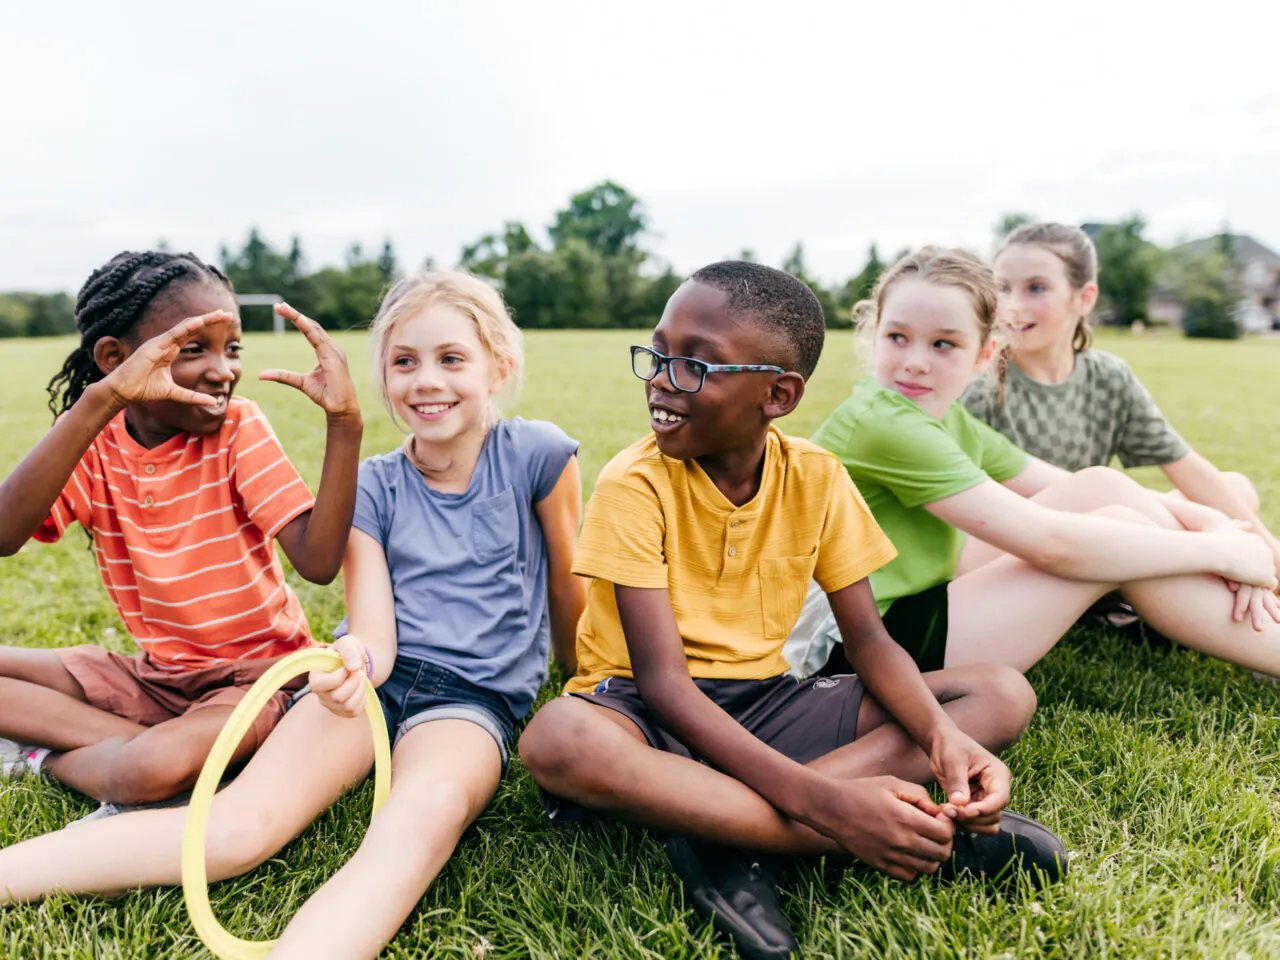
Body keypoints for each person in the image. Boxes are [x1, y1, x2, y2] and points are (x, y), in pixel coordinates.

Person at [519, 261, 1066, 960]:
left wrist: (939, 737)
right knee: (560, 738)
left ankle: (721, 833)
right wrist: (826, 804)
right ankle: (852, 831)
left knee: (995, 693)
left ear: (778, 395)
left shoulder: (816, 476)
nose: (661, 378)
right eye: (658, 354)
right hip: (645, 713)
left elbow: (867, 639)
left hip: (767, 703)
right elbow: (663, 685)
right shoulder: (635, 483)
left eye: (697, 364)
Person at [782, 247, 1280, 693]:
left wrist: (1214, 524)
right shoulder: (883, 423)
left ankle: (1252, 611)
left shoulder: (944, 417)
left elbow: (1075, 487)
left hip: (901, 602)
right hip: (851, 647)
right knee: (1117, 533)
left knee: (1101, 488)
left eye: (942, 344)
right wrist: (1219, 551)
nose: (914, 362)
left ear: (984, 354)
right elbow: (1051, 545)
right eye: (898, 337)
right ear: (875, 336)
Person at [263, 270, 584, 959]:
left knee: (420, 816)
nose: (426, 380)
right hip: (371, 684)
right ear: (384, 376)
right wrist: (354, 663)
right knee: (238, 830)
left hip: (470, 703)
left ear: (498, 368)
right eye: (404, 362)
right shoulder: (373, 485)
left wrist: (577, 672)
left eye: (451, 358)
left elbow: (567, 575)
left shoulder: (538, 454)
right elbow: (372, 628)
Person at [0, 250, 362, 820]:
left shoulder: (238, 428)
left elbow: (318, 563)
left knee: (145, 772)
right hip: (157, 678)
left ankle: (49, 757)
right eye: (194, 349)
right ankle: (136, 742)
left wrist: (345, 424)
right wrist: (101, 400)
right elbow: (5, 532)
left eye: (232, 347)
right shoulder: (95, 442)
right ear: (116, 358)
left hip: (255, 680)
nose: (223, 369)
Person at [961, 222, 1280, 580]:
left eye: (1036, 288)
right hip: (1025, 546)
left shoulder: (1109, 377)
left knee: (1235, 488)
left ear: (1084, 298)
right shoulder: (979, 385)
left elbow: (1185, 465)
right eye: (1003, 288)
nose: (1014, 305)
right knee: (1124, 514)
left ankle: (1227, 558)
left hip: (1105, 527)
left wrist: (1269, 549)